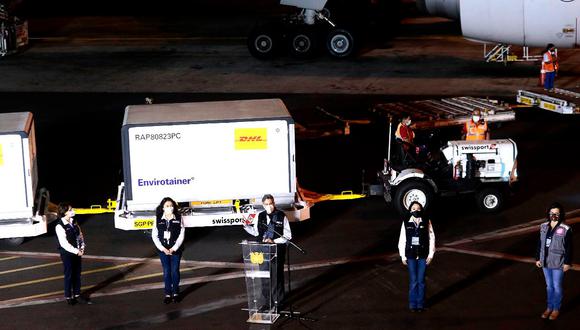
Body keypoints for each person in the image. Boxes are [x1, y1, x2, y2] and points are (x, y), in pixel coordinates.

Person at [243, 194, 292, 310]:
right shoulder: (260, 216)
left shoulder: (281, 216)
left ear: (274, 203)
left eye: (271, 204)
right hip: (262, 251)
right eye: (266, 204)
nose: (269, 206)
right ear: (263, 205)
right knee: (264, 277)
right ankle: (267, 302)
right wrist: (246, 227)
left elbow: (288, 236)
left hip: (277, 251)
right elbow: (256, 232)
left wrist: (273, 240)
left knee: (276, 278)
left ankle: (278, 303)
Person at [535, 202, 573, 321]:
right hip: (545, 261)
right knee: (549, 286)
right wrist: (537, 258)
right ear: (548, 213)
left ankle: (556, 309)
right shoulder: (544, 226)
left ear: (560, 214)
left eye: (556, 213)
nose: (554, 215)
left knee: (557, 286)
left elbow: (569, 247)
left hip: (558, 262)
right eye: (552, 213)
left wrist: (567, 262)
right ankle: (549, 307)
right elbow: (540, 244)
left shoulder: (565, 229)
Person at [398, 201, 435, 312]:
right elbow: (402, 239)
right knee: (414, 280)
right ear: (410, 210)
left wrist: (431, 254)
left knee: (421, 281)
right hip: (411, 255)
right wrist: (403, 256)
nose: (416, 210)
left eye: (418, 209)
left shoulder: (427, 221)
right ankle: (413, 304)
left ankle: (421, 304)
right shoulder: (405, 222)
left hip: (423, 255)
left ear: (421, 210)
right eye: (413, 208)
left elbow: (431, 237)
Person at [152, 197, 185, 304]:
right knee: (166, 272)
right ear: (163, 208)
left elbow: (181, 234)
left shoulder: (179, 218)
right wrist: (163, 248)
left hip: (176, 250)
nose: (169, 208)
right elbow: (154, 236)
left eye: (171, 206)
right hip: (163, 250)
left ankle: (176, 293)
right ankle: (168, 294)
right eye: (167, 206)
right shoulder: (157, 219)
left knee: (175, 271)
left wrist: (174, 248)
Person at [55, 202, 86, 305]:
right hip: (67, 254)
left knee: (77, 274)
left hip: (77, 253)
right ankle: (68, 296)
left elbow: (80, 235)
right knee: (69, 275)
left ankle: (77, 294)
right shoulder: (59, 226)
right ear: (64, 213)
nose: (73, 211)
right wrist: (77, 251)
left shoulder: (74, 221)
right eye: (70, 210)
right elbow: (64, 244)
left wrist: (82, 247)